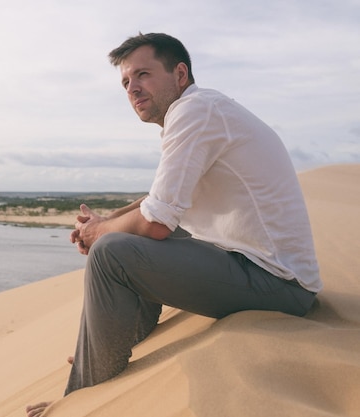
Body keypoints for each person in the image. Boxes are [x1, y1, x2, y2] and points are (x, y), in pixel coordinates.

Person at [26, 32, 321, 417]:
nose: (133, 88)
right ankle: (108, 347)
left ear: (180, 74)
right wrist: (109, 220)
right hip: (266, 270)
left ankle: (82, 397)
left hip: (278, 284)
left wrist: (101, 233)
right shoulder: (203, 111)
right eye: (126, 82)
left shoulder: (193, 111)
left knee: (111, 252)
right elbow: (159, 201)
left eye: (143, 74)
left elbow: (156, 224)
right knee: (126, 236)